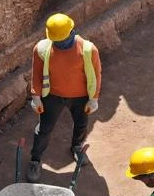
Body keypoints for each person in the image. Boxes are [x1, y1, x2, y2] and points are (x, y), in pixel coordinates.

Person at [27, 13, 102, 182]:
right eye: (57, 41)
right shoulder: (41, 49)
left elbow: (96, 75)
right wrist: (36, 96)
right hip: (52, 96)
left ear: (72, 31)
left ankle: (77, 147)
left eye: (62, 40)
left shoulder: (88, 50)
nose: (60, 44)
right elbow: (37, 75)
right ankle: (35, 160)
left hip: (81, 97)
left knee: (81, 124)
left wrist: (94, 98)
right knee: (44, 129)